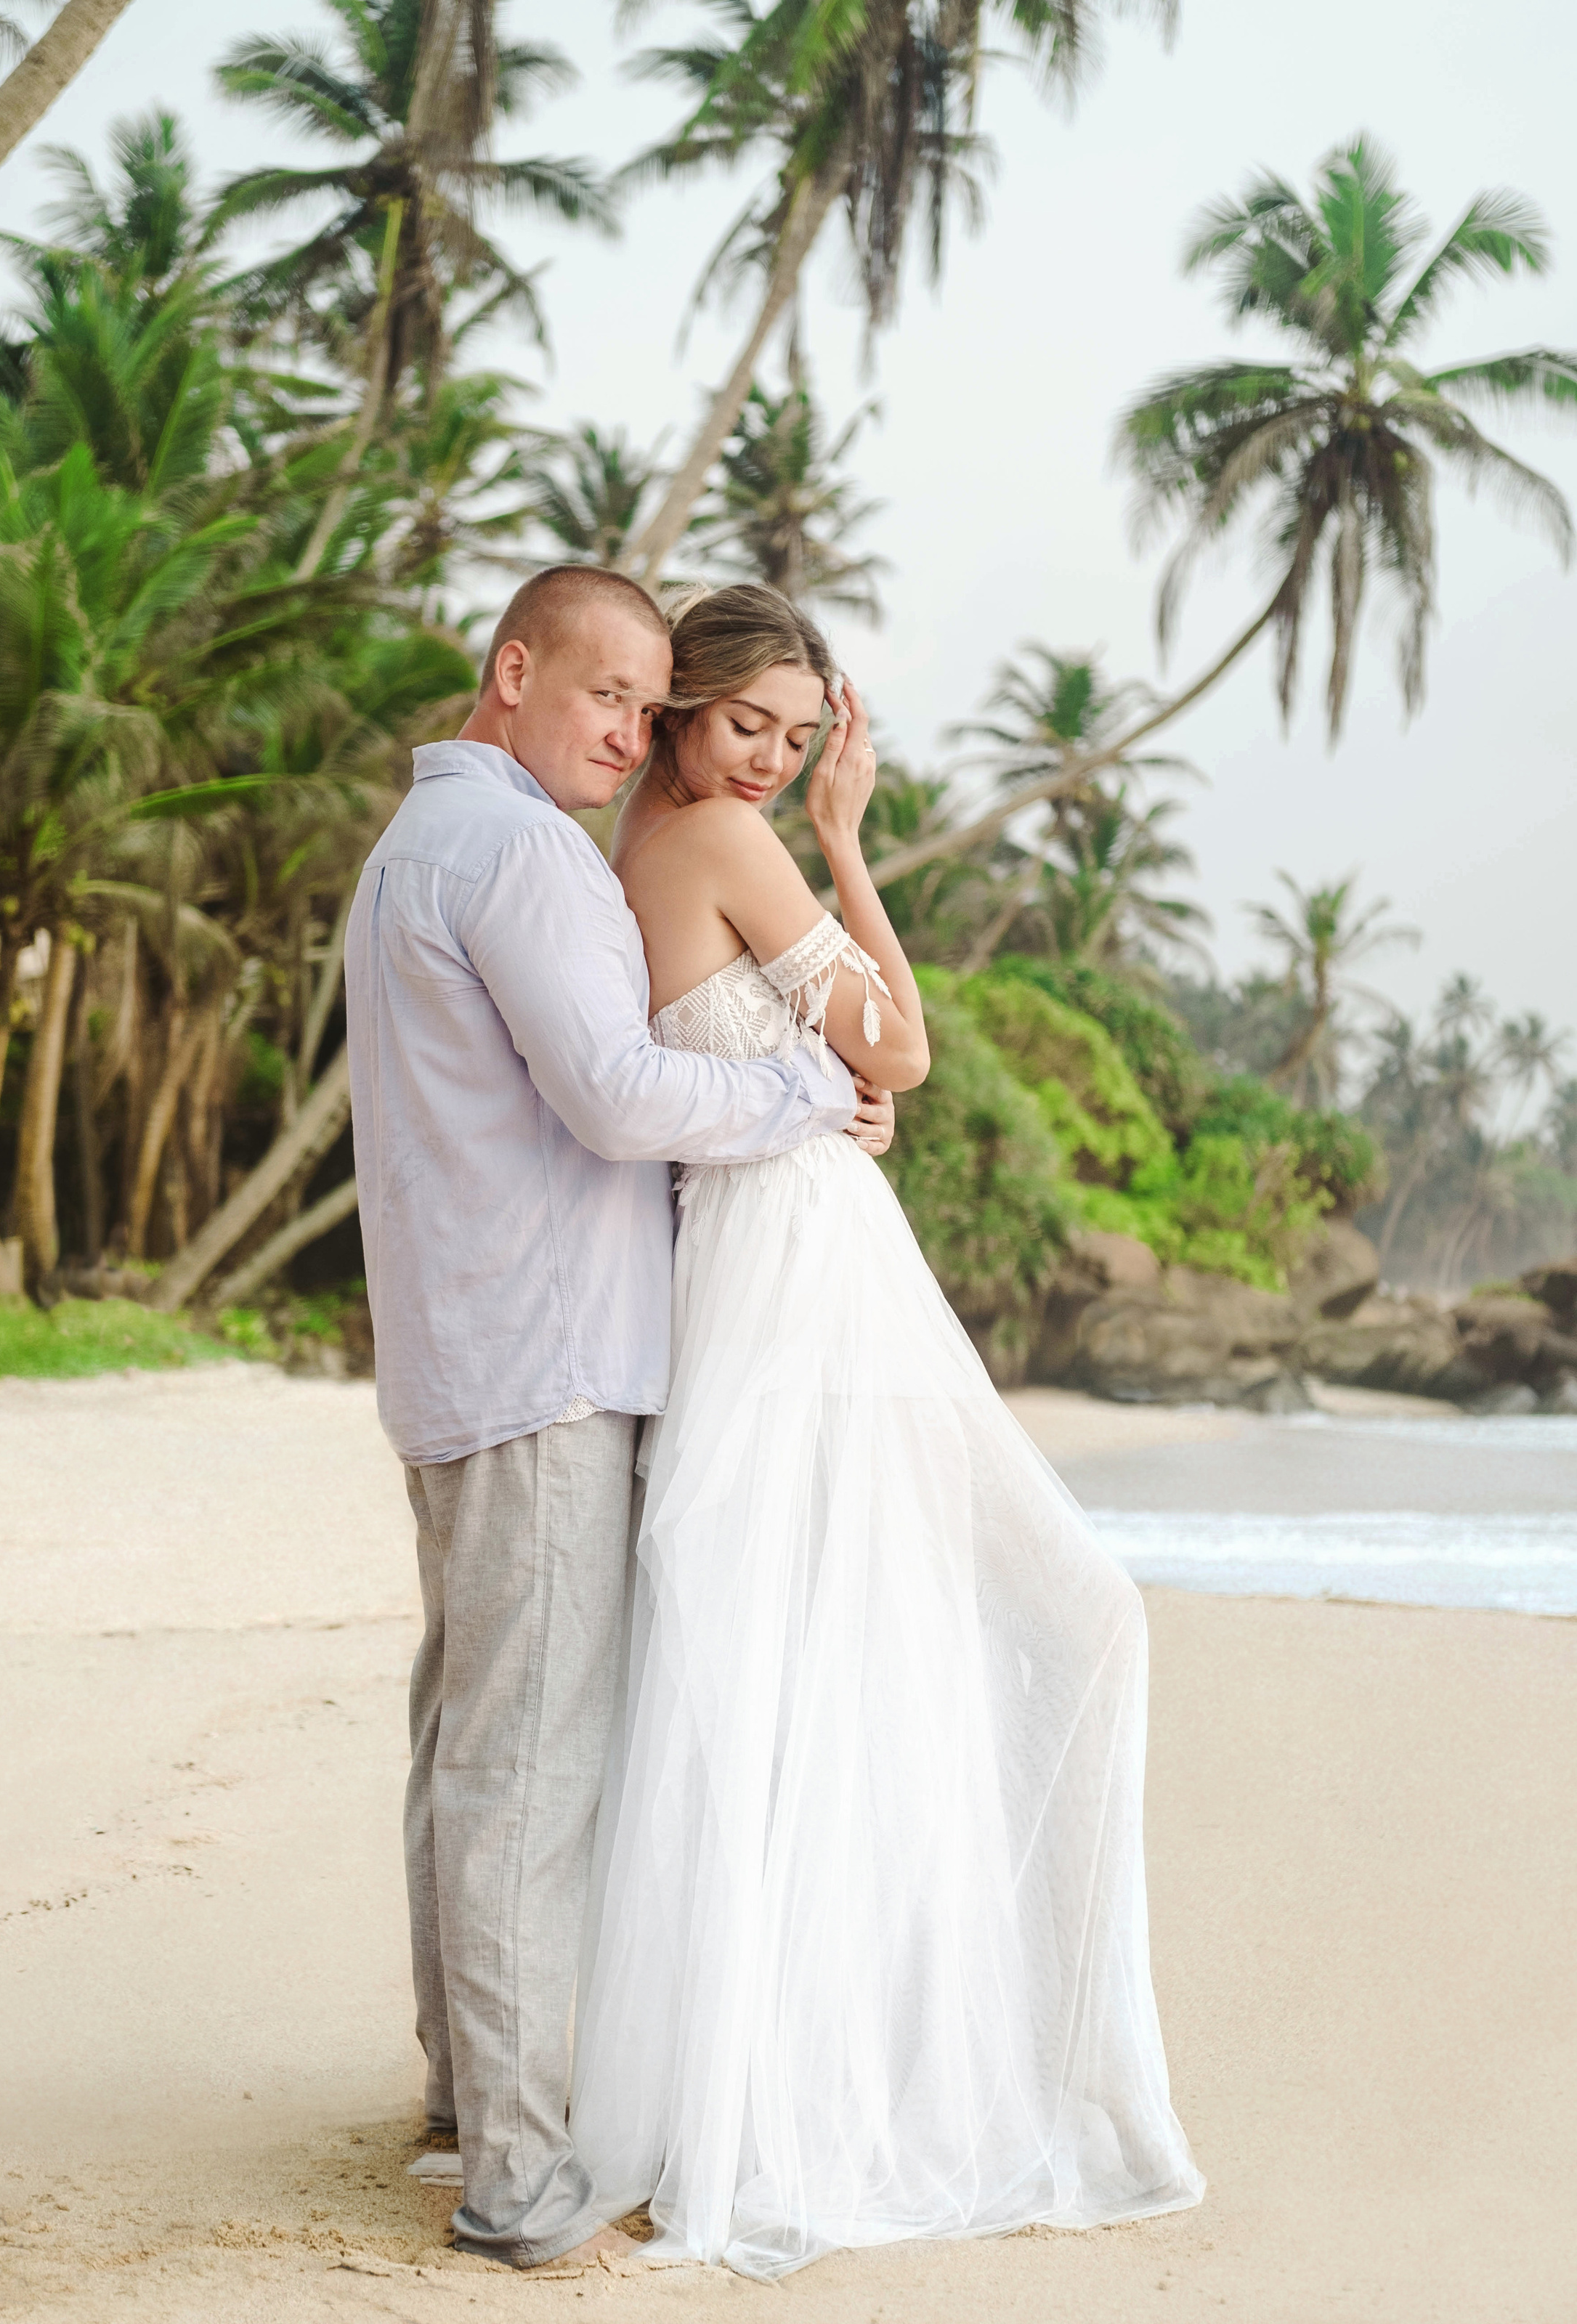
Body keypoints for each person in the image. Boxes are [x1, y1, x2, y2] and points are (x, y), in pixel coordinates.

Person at [569, 582, 1205, 2277]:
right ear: (684, 711)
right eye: (745, 725)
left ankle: (779, 2072)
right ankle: (891, 2080)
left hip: (771, 1267)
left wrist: (825, 1076)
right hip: (804, 1275)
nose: (770, 759)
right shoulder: (724, 843)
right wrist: (850, 845)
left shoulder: (650, 839)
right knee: (1052, 1614)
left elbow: (842, 1077)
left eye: (799, 738)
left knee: (793, 1666)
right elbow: (902, 1051)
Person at [344, 566, 892, 2272]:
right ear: (513, 674)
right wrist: (813, 1086)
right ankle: (514, 2176)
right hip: (547, 1361)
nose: (628, 731)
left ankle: (461, 2100)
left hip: (463, 1359)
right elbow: (613, 1093)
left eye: (649, 707)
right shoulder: (510, 852)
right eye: (604, 696)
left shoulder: (412, 849)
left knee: (464, 1738)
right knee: (523, 1766)